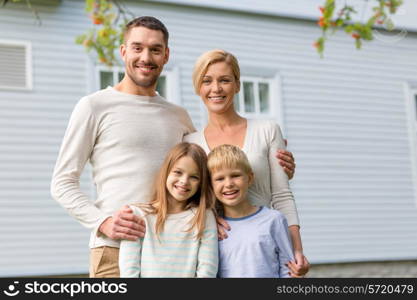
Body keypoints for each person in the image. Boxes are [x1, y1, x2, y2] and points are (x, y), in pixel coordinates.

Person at [51, 16, 296, 278]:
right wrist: (104, 222)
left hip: (176, 254)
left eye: (155, 49)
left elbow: (207, 171)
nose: (146, 57)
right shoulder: (94, 107)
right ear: (123, 51)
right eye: (137, 48)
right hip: (115, 249)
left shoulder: (177, 116)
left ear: (166, 55)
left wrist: (269, 166)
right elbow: (62, 183)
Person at [184, 49, 309, 277]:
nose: (216, 89)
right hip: (216, 251)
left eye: (225, 80)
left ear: (237, 84)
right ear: (197, 88)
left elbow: (282, 195)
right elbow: (189, 201)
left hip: (261, 249)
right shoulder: (191, 142)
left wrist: (296, 251)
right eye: (207, 81)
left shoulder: (267, 130)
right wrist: (209, 219)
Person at [119, 142, 218, 277]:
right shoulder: (138, 215)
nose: (184, 181)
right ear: (166, 172)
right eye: (178, 172)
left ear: (201, 183)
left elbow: (207, 270)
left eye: (194, 177)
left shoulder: (204, 217)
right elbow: (129, 271)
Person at [207, 144, 294, 277]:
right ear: (210, 185)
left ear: (250, 178)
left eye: (235, 175)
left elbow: (288, 270)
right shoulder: (213, 227)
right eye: (220, 178)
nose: (229, 183)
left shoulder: (274, 220)